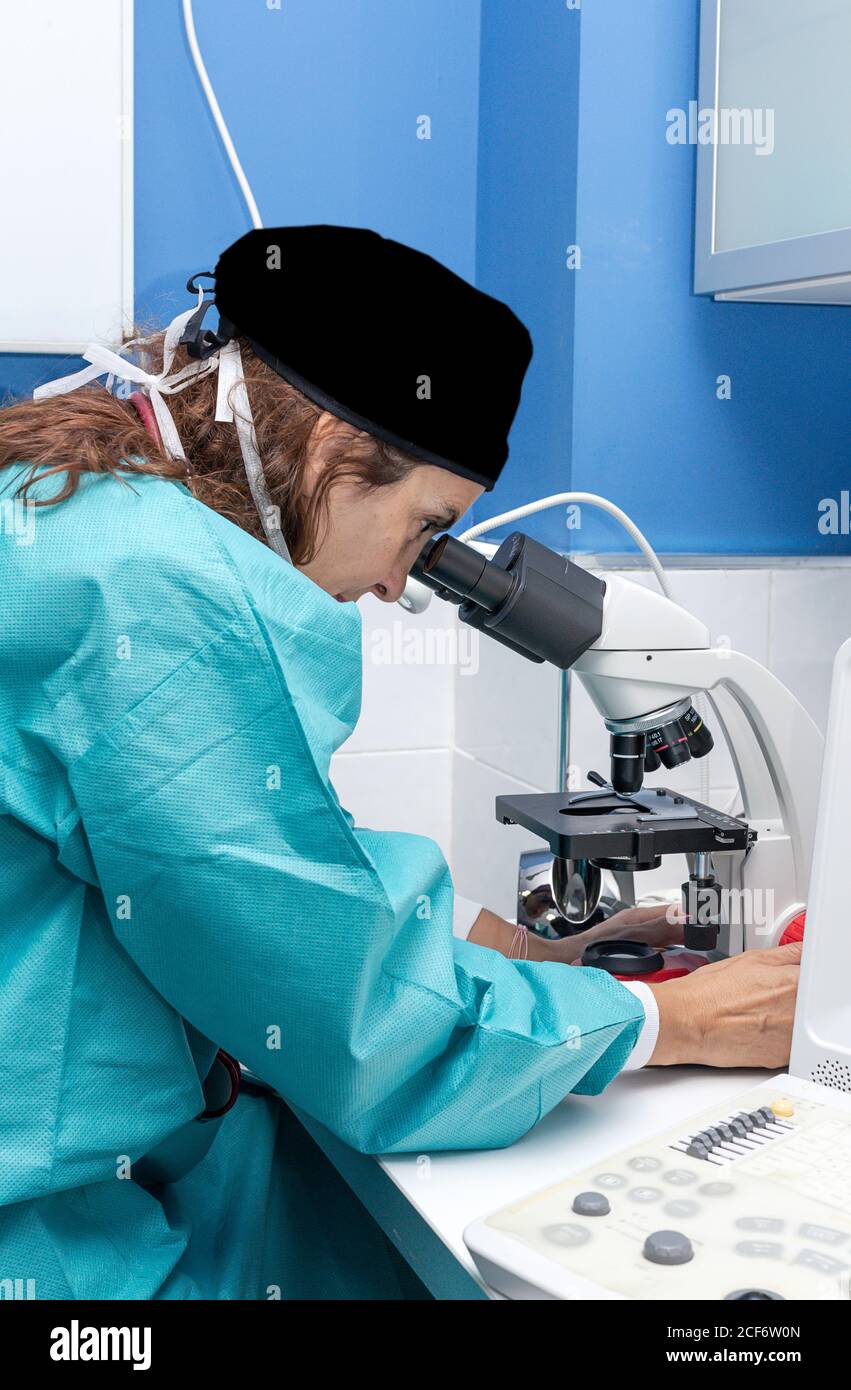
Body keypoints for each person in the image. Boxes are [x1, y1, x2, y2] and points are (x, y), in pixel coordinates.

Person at [0, 225, 802, 1300]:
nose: (395, 588)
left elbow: (231, 866)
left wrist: (507, 950)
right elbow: (359, 1022)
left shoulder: (71, 499)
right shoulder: (164, 584)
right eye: (425, 529)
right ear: (332, 451)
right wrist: (669, 1020)